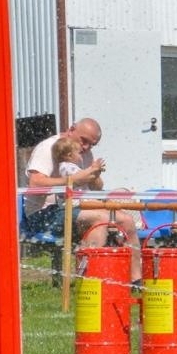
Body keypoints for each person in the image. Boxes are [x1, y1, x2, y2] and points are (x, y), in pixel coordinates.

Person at [23, 116, 143, 284]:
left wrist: (95, 175)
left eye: (91, 145)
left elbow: (97, 188)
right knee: (103, 218)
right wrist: (74, 180)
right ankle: (89, 282)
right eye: (84, 141)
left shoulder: (84, 153)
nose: (86, 147)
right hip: (44, 215)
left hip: (75, 209)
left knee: (125, 221)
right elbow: (35, 183)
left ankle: (134, 281)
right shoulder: (49, 148)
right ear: (71, 130)